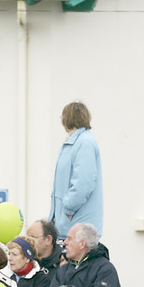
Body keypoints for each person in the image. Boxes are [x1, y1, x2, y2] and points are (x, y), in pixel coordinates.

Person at [50, 101, 103, 236]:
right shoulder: (74, 142)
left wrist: (68, 209)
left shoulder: (84, 143)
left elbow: (84, 182)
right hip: (68, 226)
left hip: (77, 226)